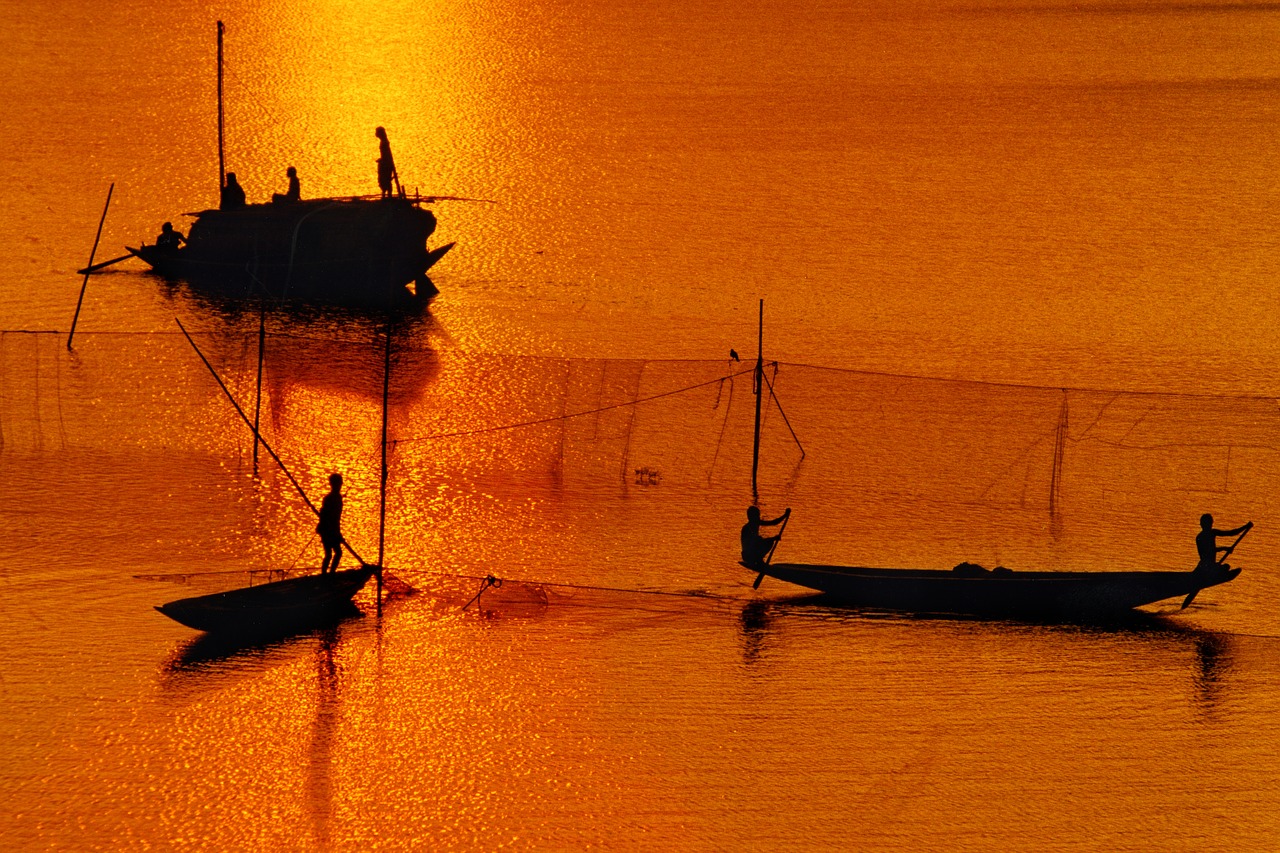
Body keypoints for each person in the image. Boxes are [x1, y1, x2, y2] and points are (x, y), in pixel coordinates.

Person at [317, 473, 345, 573]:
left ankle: (328, 573)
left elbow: (333, 517)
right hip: (328, 530)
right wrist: (337, 533)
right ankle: (328, 574)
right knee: (334, 553)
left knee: (332, 553)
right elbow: (330, 517)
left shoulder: (335, 498)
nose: (340, 486)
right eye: (339, 484)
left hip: (329, 529)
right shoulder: (332, 498)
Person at [375, 126, 397, 198]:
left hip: (386, 164)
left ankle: (387, 195)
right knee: (384, 180)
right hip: (385, 163)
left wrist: (382, 160)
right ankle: (385, 195)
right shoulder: (383, 141)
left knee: (385, 179)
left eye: (377, 132)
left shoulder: (384, 142)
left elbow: (386, 155)